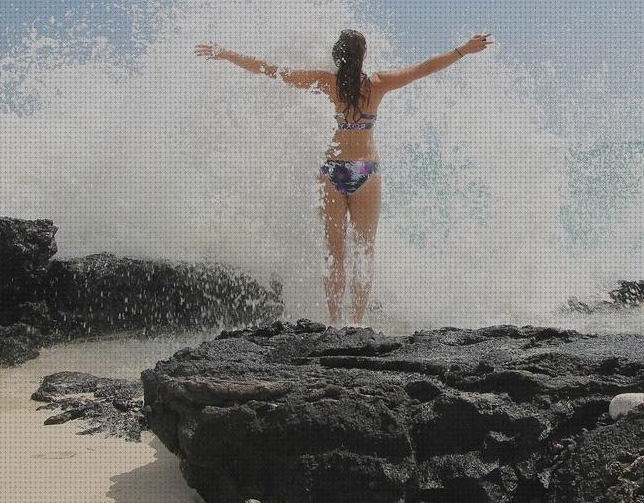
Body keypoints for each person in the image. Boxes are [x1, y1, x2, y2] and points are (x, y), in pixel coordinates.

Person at [195, 29, 492, 325]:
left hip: (332, 171)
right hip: (366, 171)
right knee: (364, 252)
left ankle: (335, 322)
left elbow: (273, 71)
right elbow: (424, 68)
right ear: (362, 55)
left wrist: (226, 53)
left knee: (334, 254)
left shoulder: (328, 82)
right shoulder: (377, 83)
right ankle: (357, 323)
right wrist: (463, 50)